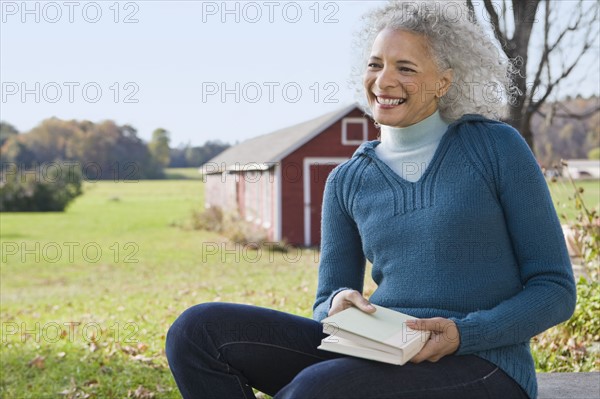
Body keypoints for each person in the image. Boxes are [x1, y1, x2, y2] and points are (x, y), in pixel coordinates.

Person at [165, 1, 576, 398]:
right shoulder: (347, 180)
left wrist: (464, 334)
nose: (384, 81)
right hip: (380, 349)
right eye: (375, 64)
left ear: (444, 82)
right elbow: (327, 301)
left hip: (484, 364)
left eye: (406, 68)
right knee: (197, 331)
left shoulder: (494, 147)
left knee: (317, 389)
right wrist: (337, 304)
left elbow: (554, 288)